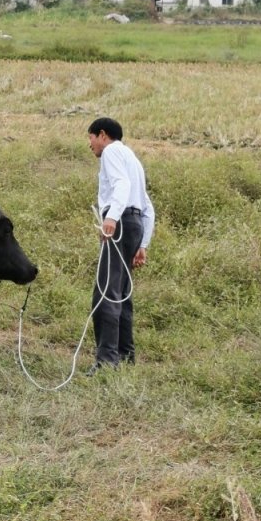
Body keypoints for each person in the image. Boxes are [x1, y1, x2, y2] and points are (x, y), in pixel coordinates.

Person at [86, 117, 155, 374]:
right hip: (134, 224)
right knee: (122, 294)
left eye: (91, 138)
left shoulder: (112, 151)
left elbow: (121, 186)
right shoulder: (133, 159)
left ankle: (106, 362)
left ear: (102, 135)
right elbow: (148, 207)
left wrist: (112, 218)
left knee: (106, 292)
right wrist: (143, 243)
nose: (90, 144)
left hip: (122, 222)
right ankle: (126, 357)